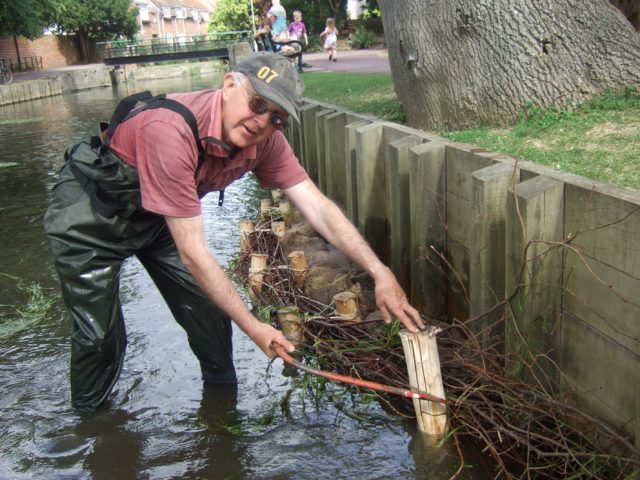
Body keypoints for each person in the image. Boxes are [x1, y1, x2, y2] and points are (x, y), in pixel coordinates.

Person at [44, 53, 424, 411]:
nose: (263, 122)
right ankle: (91, 425)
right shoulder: (169, 130)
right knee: (100, 338)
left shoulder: (266, 142)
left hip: (156, 218)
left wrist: (379, 271)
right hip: (92, 217)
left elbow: (318, 207)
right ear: (229, 85)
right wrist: (255, 327)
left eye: (276, 118)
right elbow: (194, 254)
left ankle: (222, 406)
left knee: (209, 314)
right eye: (258, 104)